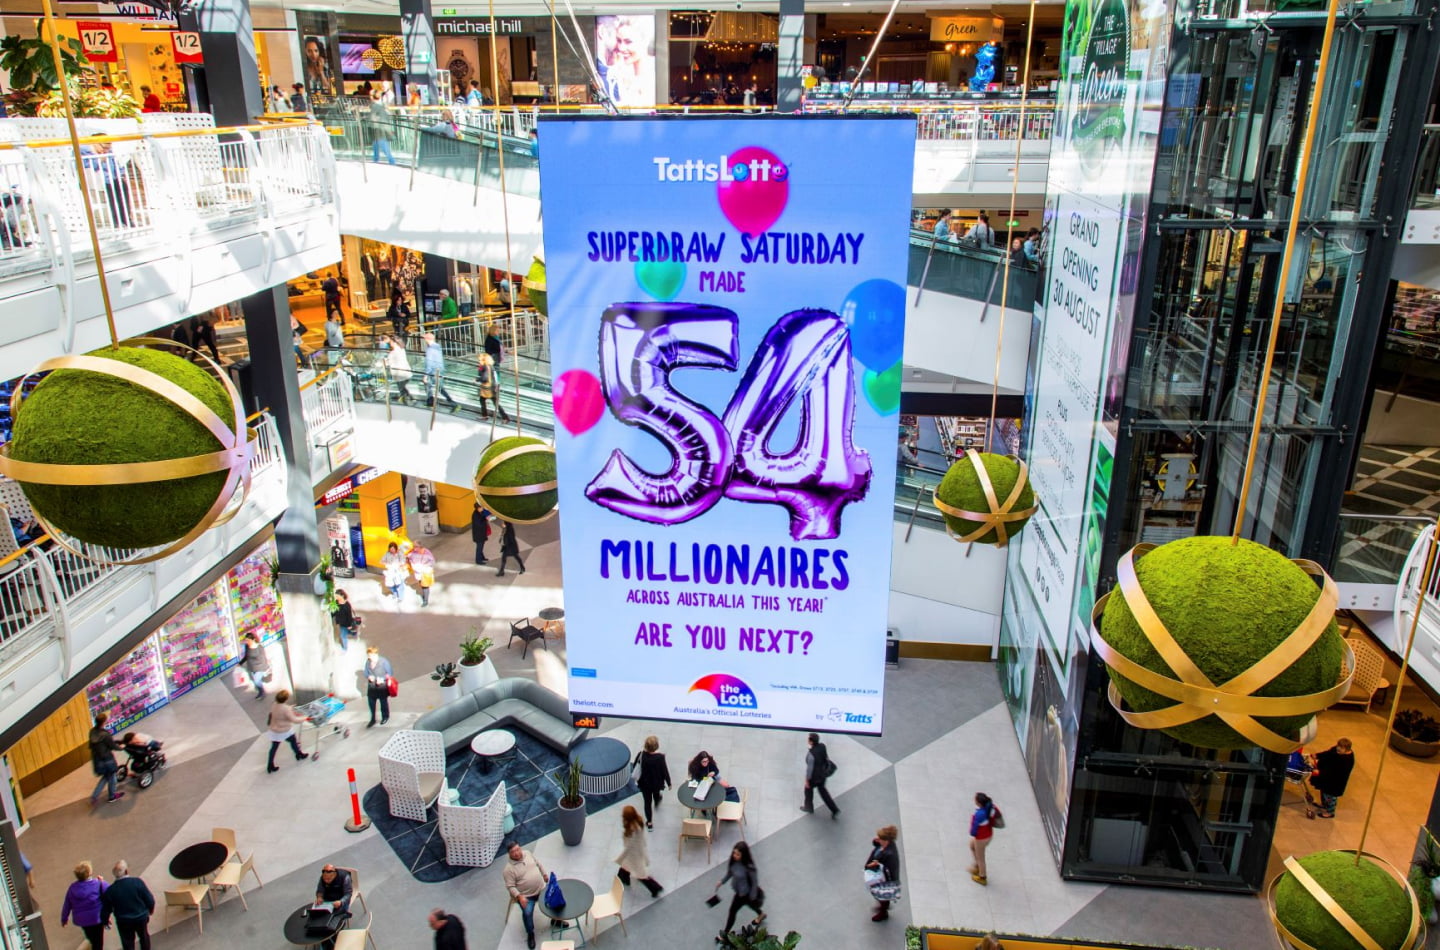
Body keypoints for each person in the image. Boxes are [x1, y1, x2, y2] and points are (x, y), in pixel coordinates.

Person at [714, 841, 764, 938]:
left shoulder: (749, 867)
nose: (734, 855)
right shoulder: (734, 863)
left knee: (732, 911)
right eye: (734, 853)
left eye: (737, 854)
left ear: (743, 855)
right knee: (751, 906)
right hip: (739, 893)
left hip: (746, 895)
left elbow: (754, 883)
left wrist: (752, 896)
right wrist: (722, 881)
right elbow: (730, 873)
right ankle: (761, 914)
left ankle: (725, 934)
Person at [502, 843, 547, 949]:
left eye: (518, 849)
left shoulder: (528, 853)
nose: (517, 853)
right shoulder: (508, 870)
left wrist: (544, 874)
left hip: (540, 889)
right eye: (513, 852)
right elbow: (510, 886)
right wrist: (519, 896)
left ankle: (556, 919)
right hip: (527, 896)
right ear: (509, 854)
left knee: (553, 899)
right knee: (527, 913)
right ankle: (530, 934)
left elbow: (538, 864)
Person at [102, 860, 155, 950]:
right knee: (144, 937)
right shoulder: (137, 882)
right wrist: (150, 910)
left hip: (123, 921)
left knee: (128, 942)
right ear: (126, 871)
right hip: (140, 917)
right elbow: (150, 900)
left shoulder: (111, 890)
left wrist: (105, 921)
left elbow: (106, 909)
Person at [615, 805, 664, 897]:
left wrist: (619, 858)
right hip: (636, 852)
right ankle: (623, 878)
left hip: (633, 855)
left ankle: (655, 888)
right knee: (626, 867)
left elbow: (628, 847)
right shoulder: (638, 822)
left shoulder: (632, 830)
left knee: (640, 874)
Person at [61, 860, 107, 949]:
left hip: (82, 920)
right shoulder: (97, 884)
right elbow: (109, 892)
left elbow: (67, 904)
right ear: (90, 872)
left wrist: (64, 919)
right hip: (96, 918)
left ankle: (92, 941)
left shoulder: (72, 888)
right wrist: (102, 882)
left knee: (90, 935)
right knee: (98, 941)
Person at [265, 689, 310, 773]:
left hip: (274, 729)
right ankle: (299, 754)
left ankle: (270, 765)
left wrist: (290, 708)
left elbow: (278, 711)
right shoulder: (286, 709)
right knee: (293, 741)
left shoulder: (274, 704)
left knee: (273, 748)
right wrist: (305, 718)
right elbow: (294, 719)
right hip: (284, 730)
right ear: (285, 699)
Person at [1309, 737, 1356, 818]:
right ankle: (1324, 805)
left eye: (1341, 748)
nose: (1338, 748)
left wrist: (1320, 772)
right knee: (1324, 792)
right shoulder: (1337, 750)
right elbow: (1328, 754)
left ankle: (1330, 812)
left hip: (1334, 782)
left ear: (1346, 749)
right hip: (1326, 778)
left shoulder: (1347, 761)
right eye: (1338, 746)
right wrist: (1317, 755)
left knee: (1330, 796)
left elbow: (1335, 773)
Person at [634, 735, 672, 829]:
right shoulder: (660, 757)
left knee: (647, 802)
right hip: (656, 783)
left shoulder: (641, 755)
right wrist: (669, 783)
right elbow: (664, 771)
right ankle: (657, 800)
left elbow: (635, 765)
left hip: (644, 784)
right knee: (656, 794)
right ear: (656, 746)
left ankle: (649, 822)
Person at [89, 712, 126, 806]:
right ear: (104, 722)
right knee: (111, 776)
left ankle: (95, 796)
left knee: (106, 777)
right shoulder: (105, 735)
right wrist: (122, 747)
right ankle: (112, 796)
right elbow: (113, 746)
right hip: (107, 760)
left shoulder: (92, 732)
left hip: (97, 759)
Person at [865, 826, 900, 921]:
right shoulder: (885, 845)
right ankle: (882, 906)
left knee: (883, 895)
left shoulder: (890, 855)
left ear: (886, 840)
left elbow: (888, 870)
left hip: (884, 880)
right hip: (879, 876)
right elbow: (877, 847)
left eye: (880, 838)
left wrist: (876, 864)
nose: (878, 839)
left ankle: (883, 912)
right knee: (879, 894)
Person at [803, 732, 839, 818]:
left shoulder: (811, 754)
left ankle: (809, 807)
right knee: (824, 793)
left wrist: (807, 781)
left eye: (808, 739)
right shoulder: (822, 746)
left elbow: (809, 770)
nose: (807, 740)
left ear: (811, 742)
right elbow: (826, 757)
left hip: (814, 778)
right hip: (822, 775)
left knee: (808, 790)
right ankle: (834, 809)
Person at [422, 332, 458, 410]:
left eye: (425, 338)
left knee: (437, 387)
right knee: (434, 386)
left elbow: (429, 363)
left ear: (427, 339)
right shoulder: (437, 346)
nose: (424, 340)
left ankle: (452, 403)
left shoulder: (430, 349)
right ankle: (430, 401)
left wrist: (425, 375)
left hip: (433, 371)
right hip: (439, 370)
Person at [969, 792, 996, 885]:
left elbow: (973, 830)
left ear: (979, 803)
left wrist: (972, 831)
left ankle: (982, 877)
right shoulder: (990, 808)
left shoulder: (980, 814)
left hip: (981, 838)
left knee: (981, 858)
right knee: (972, 846)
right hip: (988, 834)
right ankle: (977, 866)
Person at [475, 350, 509, 421]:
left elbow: (485, 378)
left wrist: (477, 379)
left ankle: (505, 417)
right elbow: (494, 377)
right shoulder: (490, 366)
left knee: (493, 403)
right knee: (486, 401)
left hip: (489, 389)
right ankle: (504, 417)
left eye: (480, 360)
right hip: (491, 388)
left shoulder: (485, 367)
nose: (479, 361)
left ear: (484, 360)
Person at [364, 646, 393, 727]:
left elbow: (390, 673)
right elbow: (366, 672)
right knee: (371, 704)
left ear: (375, 654)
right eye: (368, 655)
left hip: (381, 687)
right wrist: (369, 676)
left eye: (371, 655)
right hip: (372, 688)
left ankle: (385, 716)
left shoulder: (384, 662)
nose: (369, 657)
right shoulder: (368, 662)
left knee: (383, 703)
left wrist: (382, 679)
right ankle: (372, 719)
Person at [239, 631, 271, 699]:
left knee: (257, 681)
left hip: (259, 667)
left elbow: (263, 658)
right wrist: (240, 663)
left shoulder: (259, 647)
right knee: (256, 680)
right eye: (246, 640)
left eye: (249, 640)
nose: (247, 642)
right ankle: (260, 691)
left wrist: (265, 668)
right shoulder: (247, 646)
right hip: (252, 667)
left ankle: (262, 692)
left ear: (253, 639)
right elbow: (246, 656)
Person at [385, 336, 414, 403]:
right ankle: (410, 399)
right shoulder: (402, 349)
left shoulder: (393, 353)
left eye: (391, 342)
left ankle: (405, 401)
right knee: (403, 389)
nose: (390, 343)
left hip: (399, 375)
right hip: (406, 373)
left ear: (395, 343)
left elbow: (388, 362)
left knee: (402, 390)